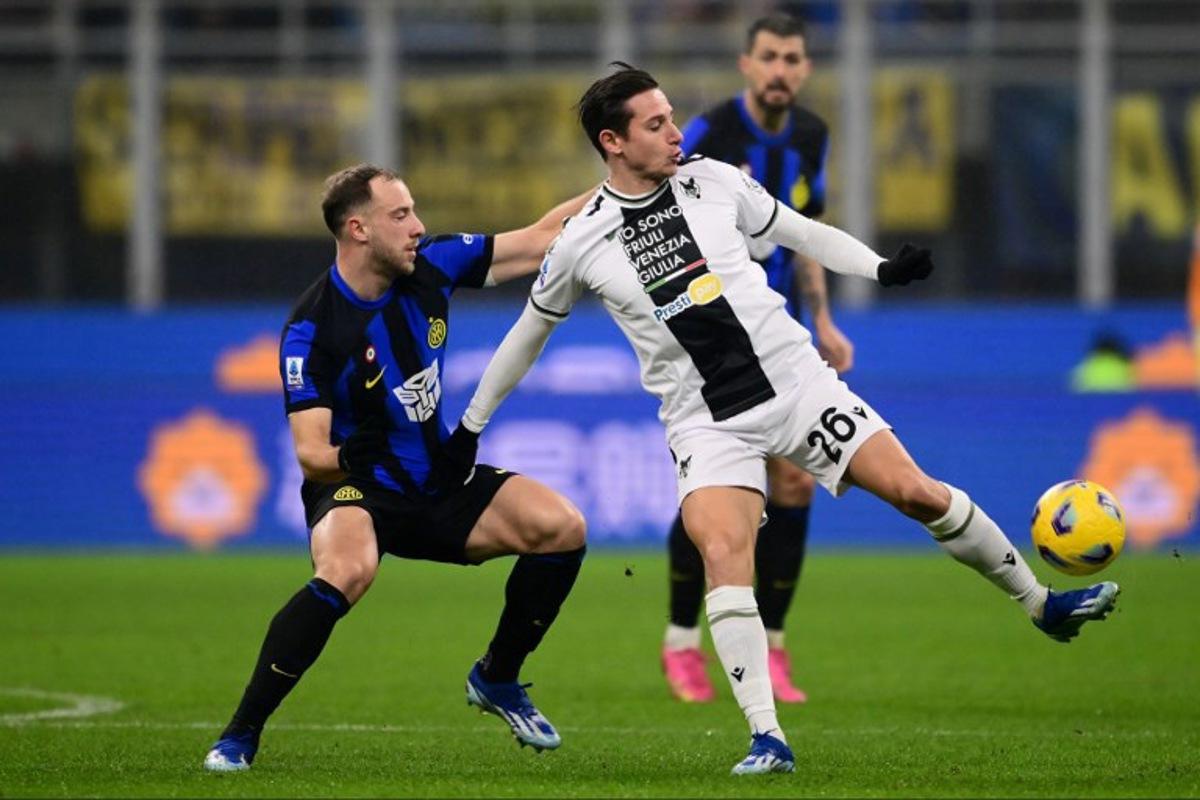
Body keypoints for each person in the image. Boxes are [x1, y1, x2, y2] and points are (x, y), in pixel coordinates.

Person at [445, 65, 1121, 775]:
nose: (676, 131)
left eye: (672, 116)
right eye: (655, 124)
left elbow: (801, 232)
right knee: (724, 555)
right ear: (612, 142)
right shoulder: (582, 241)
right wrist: (470, 425)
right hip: (708, 424)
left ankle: (1041, 603)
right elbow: (526, 336)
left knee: (918, 492)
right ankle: (768, 738)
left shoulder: (715, 180)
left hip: (798, 385)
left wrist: (881, 269)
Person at [202, 165, 592, 772]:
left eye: (413, 212)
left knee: (562, 528)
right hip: (360, 487)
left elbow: (544, 236)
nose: (419, 227)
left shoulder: (432, 264)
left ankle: (498, 677)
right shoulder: (311, 330)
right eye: (401, 216)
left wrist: (628, 186)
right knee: (348, 567)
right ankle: (240, 734)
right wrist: (357, 454)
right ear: (358, 229)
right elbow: (312, 454)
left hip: (437, 481)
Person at [661, 12, 850, 706]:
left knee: (796, 486)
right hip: (714, 342)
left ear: (805, 67)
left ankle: (773, 648)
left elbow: (806, 231)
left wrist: (823, 317)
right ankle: (682, 642)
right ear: (747, 63)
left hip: (785, 336)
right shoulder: (709, 133)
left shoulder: (811, 135)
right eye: (769, 57)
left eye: (793, 59)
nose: (781, 70)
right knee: (709, 496)